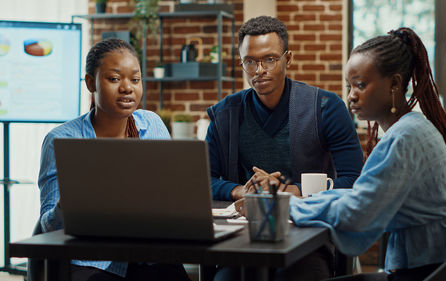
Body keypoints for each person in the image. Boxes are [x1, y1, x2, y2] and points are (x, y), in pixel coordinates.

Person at [284, 27, 446, 281]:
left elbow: (357, 214)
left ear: (394, 83)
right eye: (349, 86)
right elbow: (361, 197)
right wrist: (301, 203)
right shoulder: (414, 127)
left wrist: (289, 208)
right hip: (436, 264)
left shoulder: (404, 138)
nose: (351, 96)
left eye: (361, 85)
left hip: (423, 272)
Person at [38, 38, 190, 281]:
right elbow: (48, 227)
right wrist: (69, 202)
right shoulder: (61, 139)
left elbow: (172, 194)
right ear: (91, 83)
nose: (127, 88)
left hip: (150, 255)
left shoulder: (152, 124)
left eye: (135, 79)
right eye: (114, 78)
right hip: (92, 261)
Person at [206, 16, 364, 202]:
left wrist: (288, 190)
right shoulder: (225, 114)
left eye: (270, 59)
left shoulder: (326, 107)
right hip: (243, 220)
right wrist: (241, 191)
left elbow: (354, 180)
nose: (259, 70)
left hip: (312, 221)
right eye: (249, 61)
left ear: (288, 59)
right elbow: (201, 180)